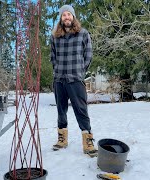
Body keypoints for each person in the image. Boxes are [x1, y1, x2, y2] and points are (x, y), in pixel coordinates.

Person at [50, 4, 97, 157]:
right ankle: (62, 139)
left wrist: (81, 71)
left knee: (81, 110)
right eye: (64, 15)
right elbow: (53, 56)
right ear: (61, 18)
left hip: (76, 79)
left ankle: (88, 142)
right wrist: (56, 69)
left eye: (69, 14)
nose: (67, 17)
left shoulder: (83, 34)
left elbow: (88, 55)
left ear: (73, 17)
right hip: (59, 80)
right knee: (60, 111)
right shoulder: (54, 36)